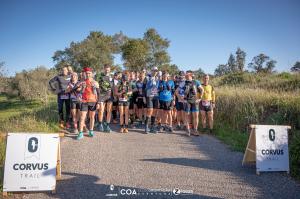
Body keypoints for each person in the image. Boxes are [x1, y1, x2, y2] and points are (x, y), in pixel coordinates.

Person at [76, 67, 100, 140]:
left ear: (92, 74)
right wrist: (78, 95)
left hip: (93, 101)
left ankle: (91, 131)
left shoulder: (95, 82)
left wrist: (98, 103)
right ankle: (80, 133)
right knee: (82, 117)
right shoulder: (82, 82)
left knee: (92, 117)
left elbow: (98, 93)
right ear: (85, 74)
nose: (88, 75)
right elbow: (77, 91)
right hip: (84, 101)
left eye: (89, 73)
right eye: (86, 73)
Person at [96, 64, 113, 133]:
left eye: (108, 69)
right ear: (104, 69)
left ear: (110, 70)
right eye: (106, 69)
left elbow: (114, 87)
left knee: (109, 111)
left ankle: (107, 125)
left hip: (109, 96)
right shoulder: (100, 77)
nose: (107, 70)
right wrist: (98, 97)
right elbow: (97, 86)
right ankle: (100, 124)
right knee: (101, 110)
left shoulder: (112, 77)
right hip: (102, 96)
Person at [183, 70, 201, 136]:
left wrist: (200, 98)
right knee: (187, 115)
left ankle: (195, 130)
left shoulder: (196, 82)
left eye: (187, 74)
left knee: (195, 116)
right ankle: (188, 130)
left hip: (195, 101)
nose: (185, 75)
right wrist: (181, 98)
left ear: (190, 75)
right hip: (187, 101)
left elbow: (202, 89)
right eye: (185, 74)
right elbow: (177, 91)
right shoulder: (183, 82)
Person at [144, 67, 160, 134]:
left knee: (155, 111)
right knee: (150, 111)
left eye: (156, 71)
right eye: (154, 70)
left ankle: (152, 127)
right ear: (151, 71)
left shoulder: (157, 78)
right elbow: (144, 87)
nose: (155, 72)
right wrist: (144, 97)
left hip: (155, 96)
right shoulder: (147, 78)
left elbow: (157, 87)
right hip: (149, 96)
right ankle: (146, 126)